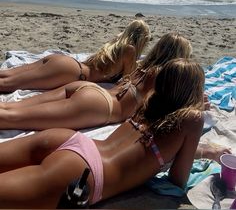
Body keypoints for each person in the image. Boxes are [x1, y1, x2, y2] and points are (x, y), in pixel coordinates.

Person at [0, 59, 221, 209]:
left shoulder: (149, 104)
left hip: (70, 140)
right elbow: (178, 179)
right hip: (86, 172)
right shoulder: (192, 119)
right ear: (193, 92)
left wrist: (203, 151)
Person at [0, 33, 192, 131]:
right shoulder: (162, 76)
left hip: (87, 89)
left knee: (13, 109)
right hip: (100, 106)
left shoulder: (142, 67)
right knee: (12, 119)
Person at [0, 19, 150, 92]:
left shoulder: (115, 44)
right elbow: (128, 80)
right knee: (8, 84)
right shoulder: (129, 50)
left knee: (6, 75)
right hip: (72, 73)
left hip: (65, 63)